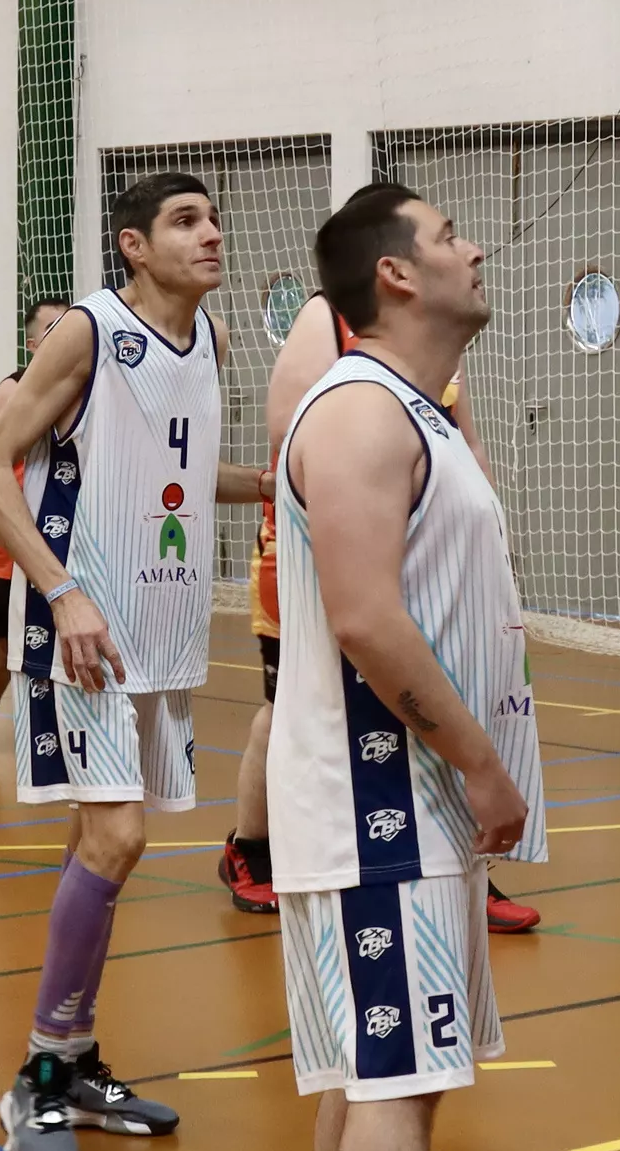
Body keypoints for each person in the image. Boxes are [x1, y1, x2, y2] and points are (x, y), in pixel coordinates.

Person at [261, 179, 549, 1151]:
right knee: (395, 1082)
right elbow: (369, 620)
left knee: (381, 1074)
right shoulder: (366, 414)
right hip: (386, 804)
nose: (473, 247)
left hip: (405, 809)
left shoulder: (410, 414)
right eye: (447, 236)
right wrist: (483, 766)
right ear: (394, 277)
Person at [0, 174, 262, 1151]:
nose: (211, 231)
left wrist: (272, 482)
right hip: (84, 629)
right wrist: (59, 592)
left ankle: (78, 1059)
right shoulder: (91, 333)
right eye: (186, 220)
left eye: (215, 216)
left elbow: (180, 465)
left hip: (164, 633)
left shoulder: (211, 343)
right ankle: (39, 1072)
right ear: (133, 245)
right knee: (118, 837)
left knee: (96, 841)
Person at [218, 290, 539, 936]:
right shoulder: (323, 323)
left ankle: (465, 857)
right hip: (319, 557)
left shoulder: (431, 346)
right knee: (289, 706)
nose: (465, 254)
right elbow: (292, 453)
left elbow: (465, 446)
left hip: (423, 556)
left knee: (445, 689)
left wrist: (488, 541)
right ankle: (249, 849)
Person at [0, 303, 68, 756]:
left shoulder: (80, 386)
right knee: (2, 634)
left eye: (67, 326)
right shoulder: (11, 391)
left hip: (66, 533)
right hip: (15, 537)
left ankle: (61, 722)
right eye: (51, 328)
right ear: (31, 342)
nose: (60, 334)